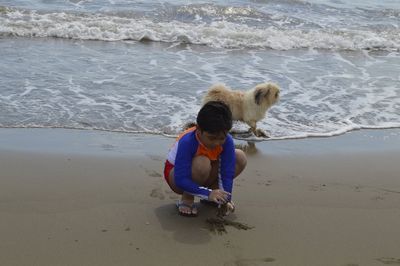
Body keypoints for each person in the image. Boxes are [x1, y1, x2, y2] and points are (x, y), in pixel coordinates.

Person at [163, 101, 247, 217]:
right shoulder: (187, 141)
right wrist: (208, 193)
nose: (217, 143)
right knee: (202, 163)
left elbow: (226, 173)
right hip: (176, 176)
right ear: (198, 129)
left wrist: (226, 198)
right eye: (211, 138)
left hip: (207, 172)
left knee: (239, 156)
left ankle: (214, 197)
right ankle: (187, 199)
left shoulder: (227, 141)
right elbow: (181, 179)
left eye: (221, 138)